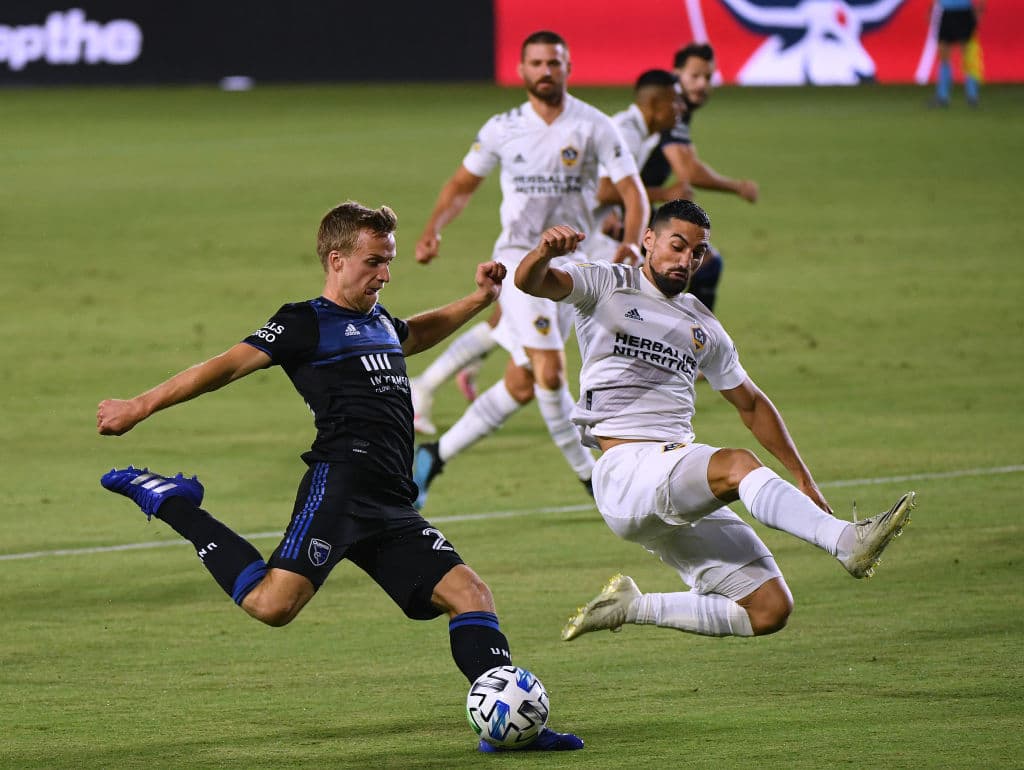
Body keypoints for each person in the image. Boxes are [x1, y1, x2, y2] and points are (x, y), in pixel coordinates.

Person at [95, 201, 582, 753]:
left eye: (389, 261)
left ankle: (506, 728)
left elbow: (413, 335)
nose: (386, 273)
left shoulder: (377, 321)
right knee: (273, 606)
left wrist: (478, 301)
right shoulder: (304, 322)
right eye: (375, 261)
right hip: (341, 488)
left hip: (393, 501)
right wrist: (139, 405)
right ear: (337, 259)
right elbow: (224, 367)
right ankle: (174, 503)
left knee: (470, 594)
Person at [513, 201, 916, 644]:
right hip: (627, 471)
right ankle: (847, 542)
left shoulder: (703, 325)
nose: (686, 260)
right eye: (677, 245)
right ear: (649, 239)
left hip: (671, 476)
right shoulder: (607, 283)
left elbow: (752, 405)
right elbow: (531, 281)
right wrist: (543, 253)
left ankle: (630, 605)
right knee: (736, 465)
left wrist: (802, 476)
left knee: (768, 608)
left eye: (698, 253)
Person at [411, 30, 650, 509]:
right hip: (520, 261)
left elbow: (633, 192)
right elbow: (461, 184)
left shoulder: (595, 125)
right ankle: (595, 480)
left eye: (554, 63)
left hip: (573, 267)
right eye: (537, 63)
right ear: (522, 71)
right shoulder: (503, 127)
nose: (546, 71)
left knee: (522, 382)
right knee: (550, 372)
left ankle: (433, 456)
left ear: (568, 68)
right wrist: (433, 227)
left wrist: (630, 244)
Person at [636, 42, 759, 312]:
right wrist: (737, 187)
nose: (702, 84)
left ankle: (689, 340)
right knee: (693, 267)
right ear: (676, 73)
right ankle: (696, 340)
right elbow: (689, 172)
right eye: (694, 76)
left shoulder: (678, 111)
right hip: (620, 214)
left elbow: (689, 162)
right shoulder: (672, 110)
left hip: (638, 207)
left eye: (708, 77)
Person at [930, 0, 986, 108]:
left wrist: (980, 8)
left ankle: (972, 95)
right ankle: (942, 96)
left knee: (968, 53)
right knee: (943, 54)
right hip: (946, 11)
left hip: (964, 12)